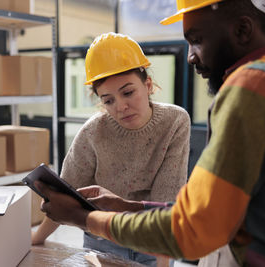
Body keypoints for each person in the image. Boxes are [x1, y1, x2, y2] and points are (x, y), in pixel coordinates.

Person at [35, 0, 265, 266]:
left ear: (242, 30)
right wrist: (128, 206)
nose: (191, 56)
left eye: (197, 40)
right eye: (108, 100)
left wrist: (81, 218)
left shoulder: (253, 88)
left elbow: (194, 228)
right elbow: (204, 211)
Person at [31, 32, 191, 266]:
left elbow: (166, 204)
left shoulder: (175, 121)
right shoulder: (93, 131)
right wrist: (36, 238)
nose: (121, 107)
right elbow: (66, 195)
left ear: (147, 85)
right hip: (100, 239)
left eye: (128, 92)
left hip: (150, 240)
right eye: (108, 100)